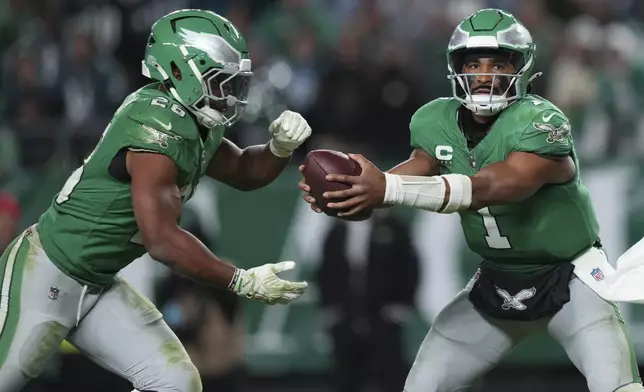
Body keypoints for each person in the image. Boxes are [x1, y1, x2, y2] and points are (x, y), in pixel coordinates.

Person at [299, 8, 644, 392]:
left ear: (522, 68)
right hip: (496, 280)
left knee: (619, 389)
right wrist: (360, 190)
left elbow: (497, 186)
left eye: (497, 64)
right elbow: (416, 169)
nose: (482, 76)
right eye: (474, 63)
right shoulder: (436, 120)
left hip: (572, 278)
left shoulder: (541, 120)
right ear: (455, 67)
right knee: (422, 387)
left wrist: (387, 189)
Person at [0, 9, 310, 392]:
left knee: (176, 382)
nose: (229, 95)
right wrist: (239, 280)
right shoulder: (155, 128)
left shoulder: (192, 118)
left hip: (97, 282)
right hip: (46, 275)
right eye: (220, 82)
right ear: (180, 71)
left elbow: (246, 172)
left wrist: (279, 148)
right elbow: (161, 241)